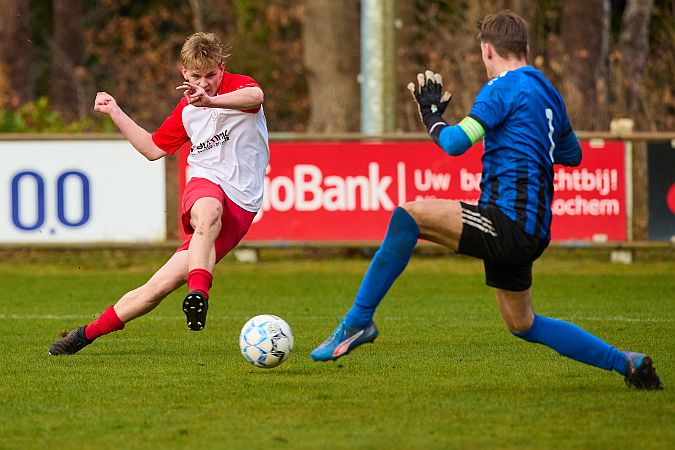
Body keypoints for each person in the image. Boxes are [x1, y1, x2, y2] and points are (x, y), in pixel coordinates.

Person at [310, 10, 662, 390]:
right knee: (523, 324)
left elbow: (454, 143)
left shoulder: (501, 89)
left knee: (408, 216)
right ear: (525, 47)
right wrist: (528, 144)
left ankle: (358, 321)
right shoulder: (549, 93)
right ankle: (627, 362)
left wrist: (432, 116)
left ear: (488, 50)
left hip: (508, 222)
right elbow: (572, 154)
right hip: (533, 231)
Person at [49, 32, 269, 355]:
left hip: (242, 203)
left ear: (222, 68)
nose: (204, 84)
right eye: (196, 76)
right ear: (184, 73)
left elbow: (256, 97)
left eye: (211, 75)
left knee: (156, 288)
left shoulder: (238, 87)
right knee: (209, 211)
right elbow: (153, 149)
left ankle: (83, 335)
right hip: (206, 183)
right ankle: (198, 296)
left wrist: (211, 101)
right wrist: (115, 111)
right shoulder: (186, 110)